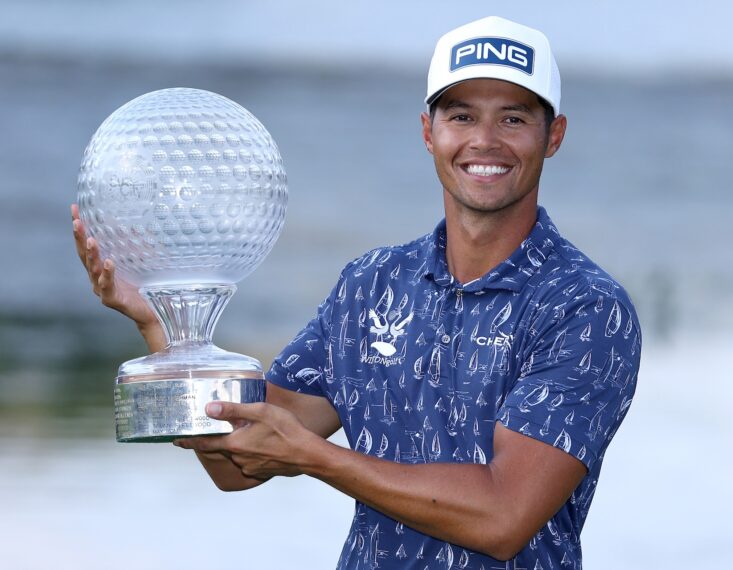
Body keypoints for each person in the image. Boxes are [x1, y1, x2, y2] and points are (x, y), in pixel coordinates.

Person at [72, 16, 641, 569]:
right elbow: (240, 463)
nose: (484, 141)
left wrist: (316, 457)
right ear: (429, 132)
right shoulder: (371, 284)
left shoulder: (586, 308)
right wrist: (169, 333)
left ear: (554, 135)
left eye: (513, 119)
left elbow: (503, 517)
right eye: (461, 115)